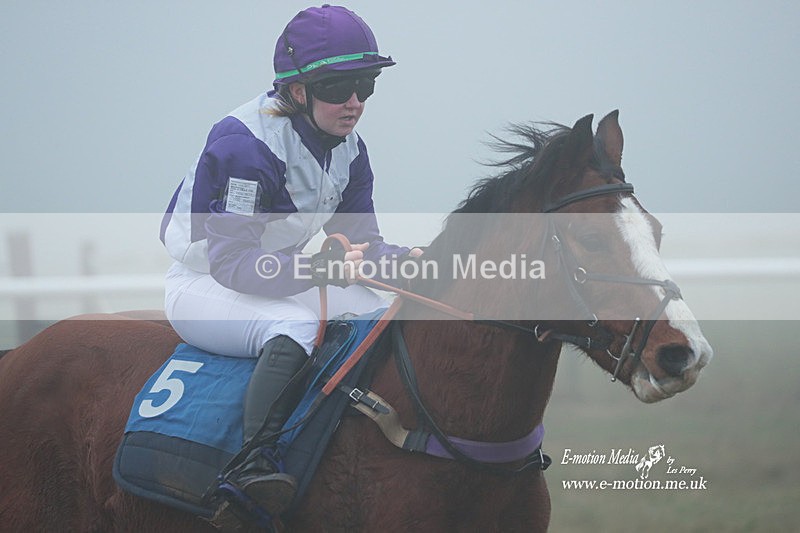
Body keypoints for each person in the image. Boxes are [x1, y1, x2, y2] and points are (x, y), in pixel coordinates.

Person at [159, 4, 420, 519]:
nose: (354, 103)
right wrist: (319, 270)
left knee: (375, 311)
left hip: (269, 270)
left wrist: (419, 264)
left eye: (365, 85)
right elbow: (234, 266)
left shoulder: (350, 149)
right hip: (205, 281)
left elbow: (362, 247)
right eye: (338, 87)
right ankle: (250, 467)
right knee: (297, 324)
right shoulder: (246, 147)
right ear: (297, 91)